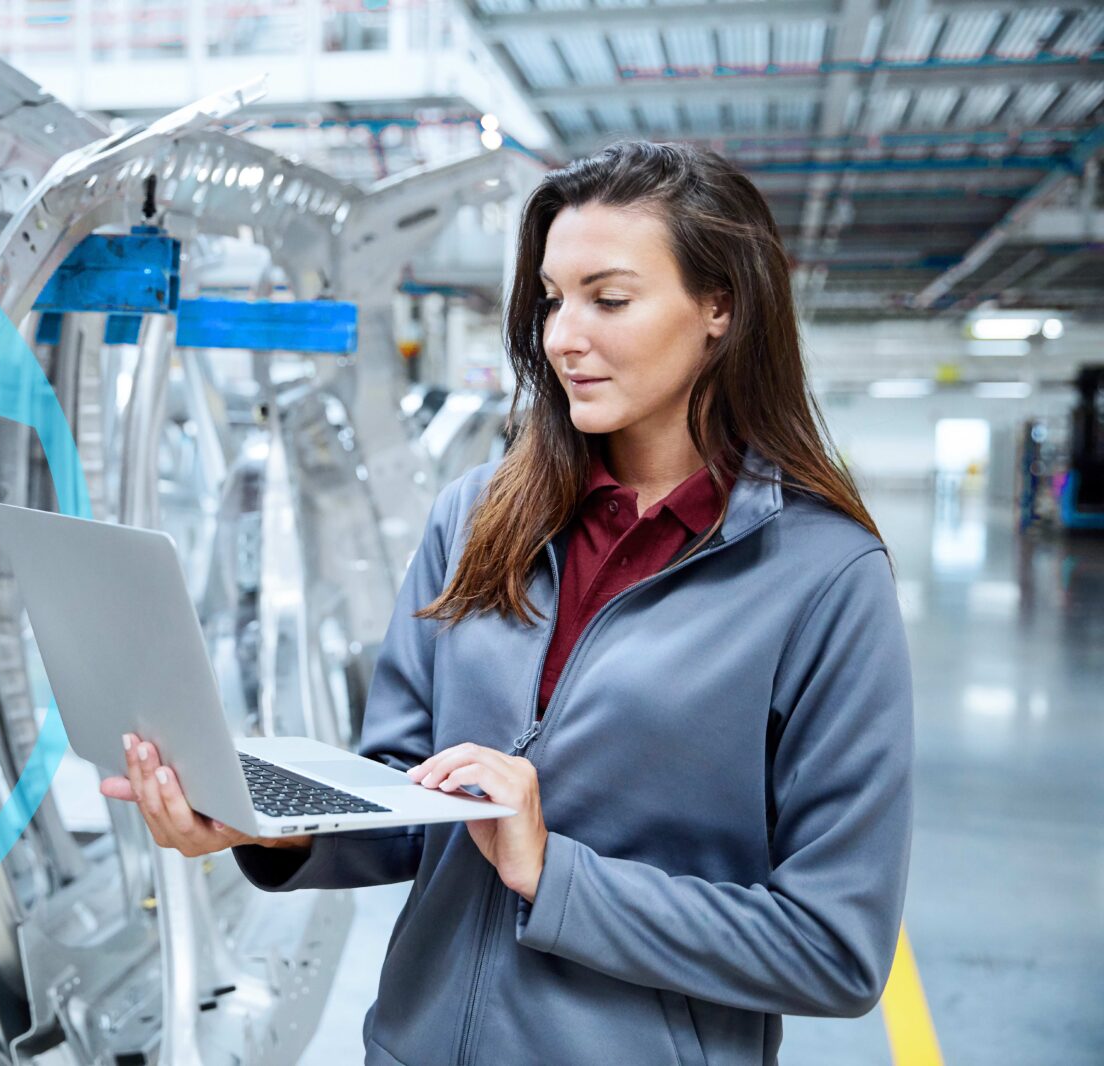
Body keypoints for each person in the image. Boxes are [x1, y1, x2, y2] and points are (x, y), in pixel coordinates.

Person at [99, 139, 913, 1065]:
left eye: (609, 299)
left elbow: (834, 951)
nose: (564, 336)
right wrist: (270, 829)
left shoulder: (823, 579)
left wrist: (552, 874)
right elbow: (403, 791)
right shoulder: (479, 516)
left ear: (720, 306)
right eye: (554, 299)